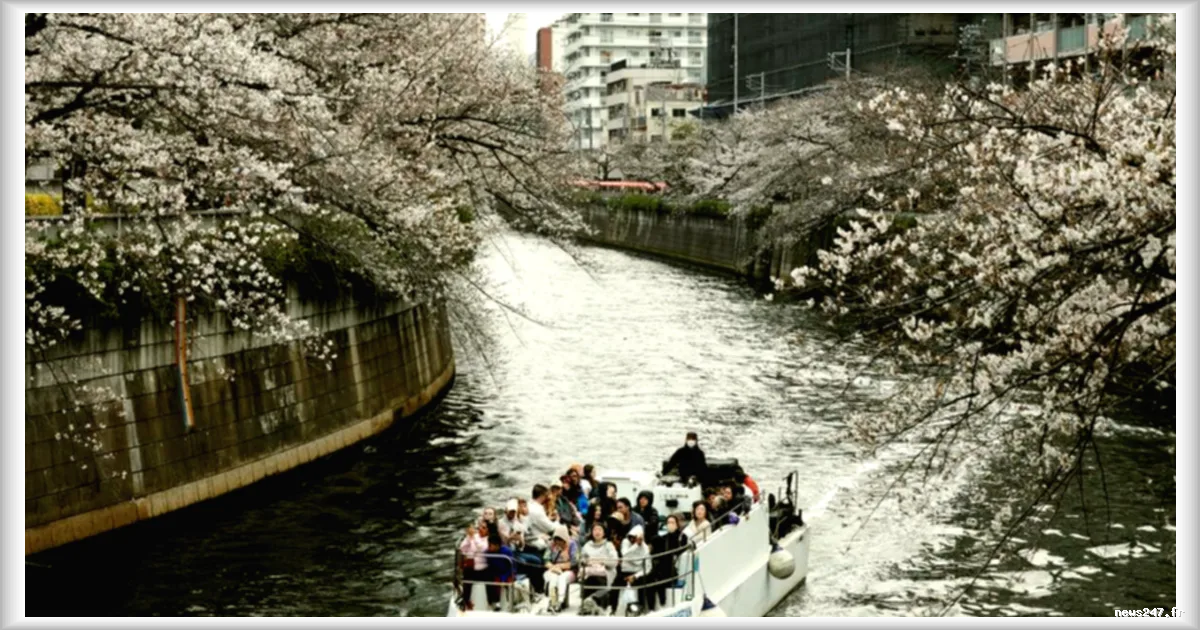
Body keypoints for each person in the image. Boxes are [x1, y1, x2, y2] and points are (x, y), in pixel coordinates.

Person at [650, 514, 689, 610]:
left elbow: (679, 550)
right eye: (668, 523)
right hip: (663, 564)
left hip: (672, 565)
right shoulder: (664, 537)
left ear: (677, 524)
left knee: (661, 573)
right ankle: (651, 607)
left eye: (672, 522)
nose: (670, 524)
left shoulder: (682, 536)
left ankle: (662, 600)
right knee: (650, 578)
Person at [579, 522, 618, 608]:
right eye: (595, 530)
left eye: (600, 530)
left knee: (599, 580)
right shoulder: (587, 546)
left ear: (604, 532)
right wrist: (587, 562)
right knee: (589, 579)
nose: (597, 532)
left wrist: (602, 561)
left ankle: (594, 600)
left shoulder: (609, 545)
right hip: (590, 573)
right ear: (591, 532)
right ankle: (586, 604)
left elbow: (614, 561)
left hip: (604, 573)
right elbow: (582, 560)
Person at [614, 525, 651, 613]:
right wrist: (635, 546)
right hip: (625, 572)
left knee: (644, 584)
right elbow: (625, 554)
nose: (632, 540)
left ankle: (642, 609)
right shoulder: (625, 542)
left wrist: (635, 576)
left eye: (634, 538)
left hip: (639, 573)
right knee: (615, 585)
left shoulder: (645, 548)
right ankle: (613, 609)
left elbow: (648, 567)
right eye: (631, 538)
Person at [542, 525, 578, 612]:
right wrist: (553, 567)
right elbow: (546, 559)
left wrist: (560, 566)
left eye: (560, 540)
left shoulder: (572, 544)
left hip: (568, 571)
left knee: (562, 578)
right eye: (556, 539)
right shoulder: (551, 544)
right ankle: (552, 601)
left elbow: (574, 561)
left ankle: (560, 601)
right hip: (552, 570)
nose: (558, 542)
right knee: (553, 578)